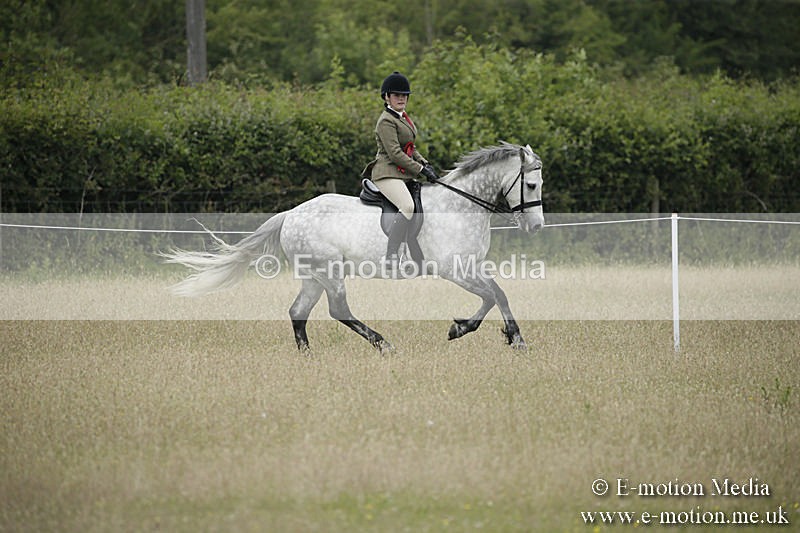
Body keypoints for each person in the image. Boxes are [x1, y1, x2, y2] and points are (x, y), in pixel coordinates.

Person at [361, 71, 440, 269]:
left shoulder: (403, 117)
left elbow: (410, 146)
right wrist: (421, 169)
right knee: (407, 206)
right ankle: (391, 255)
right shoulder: (386, 121)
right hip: (387, 172)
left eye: (404, 95)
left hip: (402, 173)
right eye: (397, 95)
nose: (402, 98)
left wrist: (425, 162)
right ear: (386, 97)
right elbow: (396, 153)